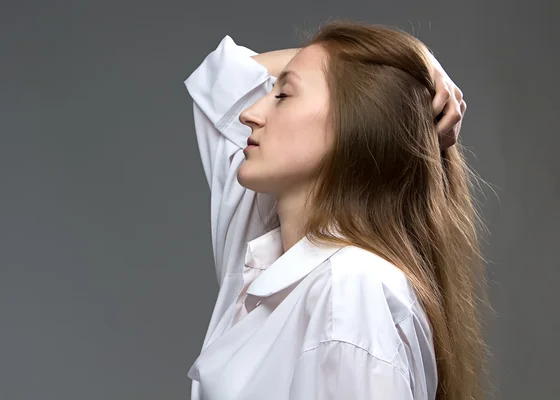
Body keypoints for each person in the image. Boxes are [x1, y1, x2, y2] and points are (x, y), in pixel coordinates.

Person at [183, 20, 489, 400]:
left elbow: (226, 87)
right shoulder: (269, 259)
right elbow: (223, 76)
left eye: (282, 96)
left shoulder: (350, 291)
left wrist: (391, 75)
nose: (250, 113)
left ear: (355, 122)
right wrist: (417, 62)